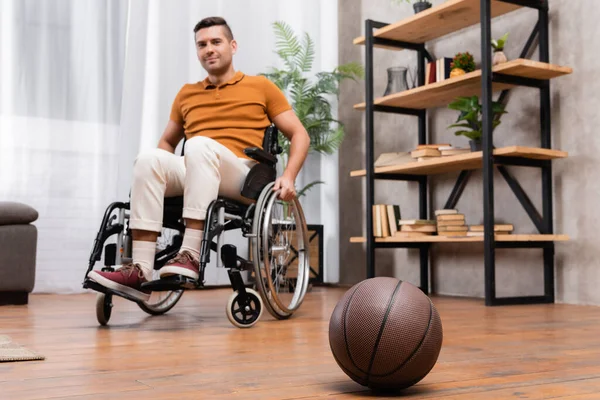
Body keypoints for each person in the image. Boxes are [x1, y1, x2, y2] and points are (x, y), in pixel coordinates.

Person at [86, 17, 310, 302]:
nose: (209, 49)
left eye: (216, 42)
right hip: (197, 166)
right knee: (148, 159)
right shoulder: (187, 94)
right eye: (202, 44)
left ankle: (190, 253)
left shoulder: (260, 87)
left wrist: (288, 176)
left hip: (241, 174)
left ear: (233, 45)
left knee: (199, 145)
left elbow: (299, 134)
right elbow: (167, 141)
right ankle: (140, 270)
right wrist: (161, 179)